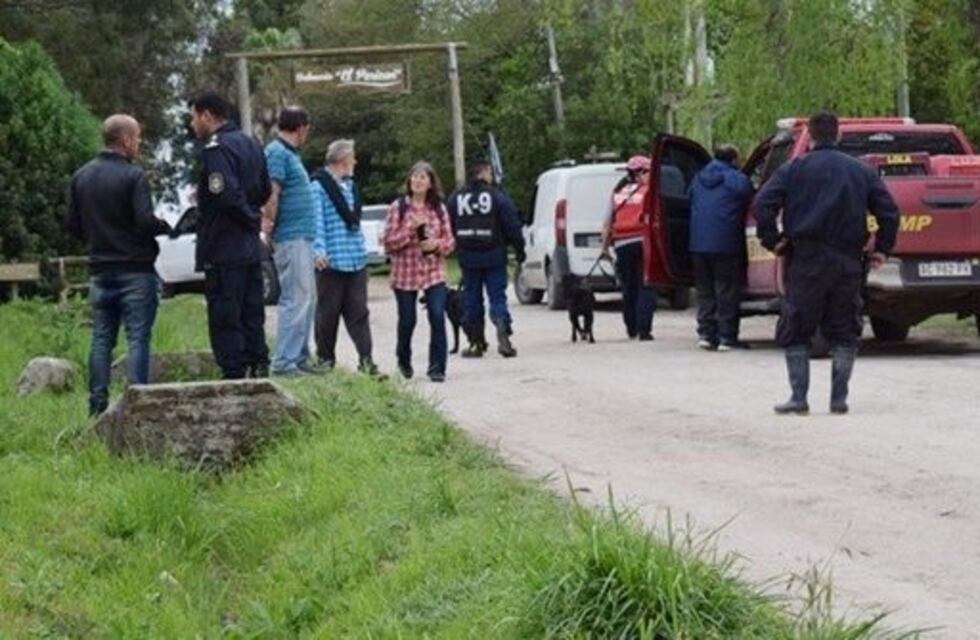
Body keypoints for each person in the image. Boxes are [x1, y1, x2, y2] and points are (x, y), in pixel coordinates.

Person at [755, 111, 899, 415]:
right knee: (845, 329)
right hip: (847, 260)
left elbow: (762, 204)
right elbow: (889, 212)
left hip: (805, 260)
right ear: (838, 136)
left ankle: (798, 397)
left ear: (811, 136)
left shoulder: (793, 170)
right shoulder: (861, 172)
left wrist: (774, 241)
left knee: (797, 328)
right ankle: (838, 398)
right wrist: (882, 249)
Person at [65, 114, 172, 416]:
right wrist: (163, 225)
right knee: (137, 337)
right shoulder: (133, 176)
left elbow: (72, 224)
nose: (139, 143)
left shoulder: (81, 176)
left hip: (100, 270)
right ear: (125, 140)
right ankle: (136, 406)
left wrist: (99, 237)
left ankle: (96, 408)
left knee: (101, 339)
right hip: (135, 269)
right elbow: (142, 220)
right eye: (137, 137)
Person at [188, 90, 272, 380]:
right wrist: (253, 215)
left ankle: (235, 372)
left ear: (207, 115)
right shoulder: (251, 144)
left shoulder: (216, 149)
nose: (192, 124)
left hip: (224, 246)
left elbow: (223, 193)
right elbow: (265, 190)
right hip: (249, 248)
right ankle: (259, 364)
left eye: (193, 117)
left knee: (226, 313)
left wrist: (248, 218)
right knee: (252, 311)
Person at [310, 139, 380, 375]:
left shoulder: (351, 187)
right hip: (332, 261)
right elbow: (316, 221)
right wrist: (318, 251)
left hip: (355, 259)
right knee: (327, 315)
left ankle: (367, 360)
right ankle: (325, 360)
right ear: (342, 160)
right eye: (353, 158)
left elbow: (354, 223)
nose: (356, 162)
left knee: (359, 313)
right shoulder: (318, 187)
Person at [382, 162, 456, 382]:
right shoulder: (398, 207)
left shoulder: (438, 208)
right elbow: (388, 242)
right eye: (414, 177)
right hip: (405, 272)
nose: (418, 181)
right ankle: (403, 361)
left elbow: (450, 241)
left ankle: (437, 368)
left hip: (433, 271)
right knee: (407, 320)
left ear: (431, 182)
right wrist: (409, 231)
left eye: (423, 177)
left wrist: (436, 244)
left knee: (436, 315)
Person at [446, 159, 525, 358]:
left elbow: (447, 225)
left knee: (472, 299)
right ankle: (501, 327)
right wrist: (519, 249)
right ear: (483, 173)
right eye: (489, 172)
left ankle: (475, 342)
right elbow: (512, 225)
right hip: (494, 255)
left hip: (468, 257)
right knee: (497, 296)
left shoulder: (456, 198)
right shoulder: (497, 197)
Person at [261, 106, 318, 376]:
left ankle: (300, 356)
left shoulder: (290, 154)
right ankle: (284, 361)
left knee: (307, 298)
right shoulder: (277, 153)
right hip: (290, 235)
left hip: (302, 235)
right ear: (301, 127)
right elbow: (272, 193)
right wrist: (269, 226)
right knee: (295, 297)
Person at [688, 144, 754, 351]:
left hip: (698, 243)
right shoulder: (738, 180)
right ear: (734, 160)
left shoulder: (698, 178)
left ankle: (706, 334)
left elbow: (689, 197)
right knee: (726, 290)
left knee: (705, 290)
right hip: (726, 242)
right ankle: (727, 337)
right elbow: (753, 201)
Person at [600, 155, 656, 341]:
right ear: (640, 172)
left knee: (628, 287)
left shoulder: (617, 193)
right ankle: (644, 330)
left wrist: (604, 248)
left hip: (622, 245)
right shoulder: (649, 191)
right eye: (649, 171)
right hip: (642, 243)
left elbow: (607, 223)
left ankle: (631, 328)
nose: (652, 175)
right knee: (646, 286)